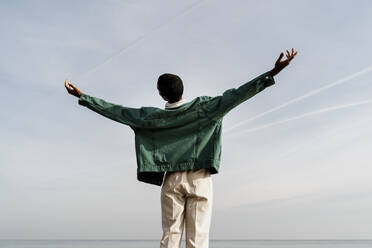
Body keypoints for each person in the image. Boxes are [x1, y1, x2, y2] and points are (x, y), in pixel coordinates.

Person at [65, 48, 298, 248]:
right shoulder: (205, 108)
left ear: (161, 94)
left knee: (170, 237)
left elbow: (118, 111)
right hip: (200, 178)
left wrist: (84, 97)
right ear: (182, 90)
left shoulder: (151, 117)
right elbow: (239, 95)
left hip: (172, 180)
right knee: (198, 240)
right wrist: (272, 73)